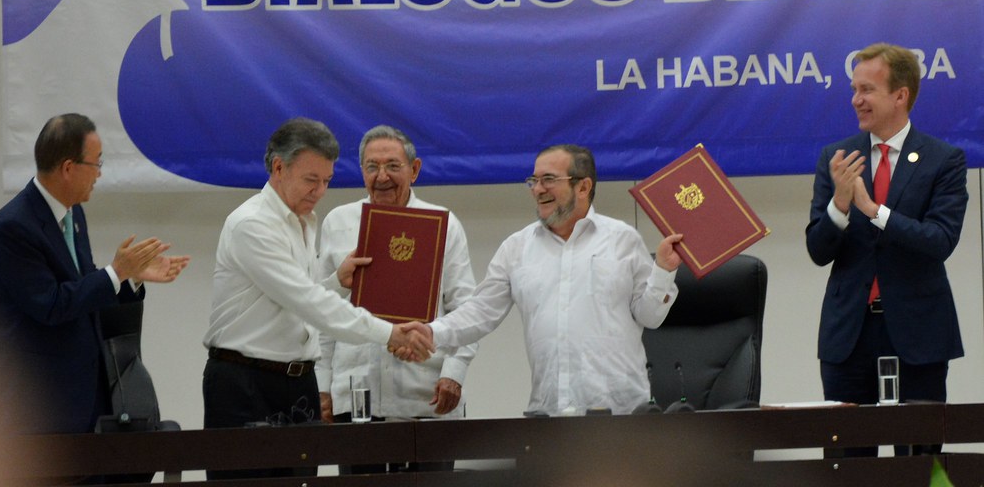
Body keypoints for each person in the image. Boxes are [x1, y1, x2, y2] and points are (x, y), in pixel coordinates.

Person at [202, 117, 433, 480]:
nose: (320, 191)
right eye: (312, 179)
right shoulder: (253, 224)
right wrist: (390, 333)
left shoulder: (305, 221)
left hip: (296, 384)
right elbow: (307, 302)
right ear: (279, 167)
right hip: (245, 384)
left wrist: (338, 282)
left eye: (326, 180)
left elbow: (297, 307)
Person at [402, 144, 682, 416]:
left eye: (548, 180)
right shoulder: (517, 248)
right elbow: (479, 312)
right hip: (549, 414)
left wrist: (664, 270)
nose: (537, 189)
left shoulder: (623, 239)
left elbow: (651, 316)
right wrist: (431, 332)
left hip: (622, 412)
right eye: (533, 181)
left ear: (583, 187)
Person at [806, 43, 968, 455]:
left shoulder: (943, 160)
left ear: (901, 95)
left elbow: (940, 241)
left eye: (867, 89)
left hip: (918, 335)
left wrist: (873, 210)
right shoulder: (837, 158)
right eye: (854, 89)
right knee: (846, 463)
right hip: (850, 337)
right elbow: (818, 249)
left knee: (917, 462)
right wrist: (840, 205)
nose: (855, 100)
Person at [0, 113, 189, 435]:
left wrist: (130, 277)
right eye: (96, 164)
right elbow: (51, 305)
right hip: (38, 406)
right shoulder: (14, 227)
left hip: (84, 394)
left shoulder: (73, 213)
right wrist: (115, 272)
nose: (99, 174)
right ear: (69, 168)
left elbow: (84, 288)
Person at [317, 125, 478, 473]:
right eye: (372, 167)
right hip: (357, 395)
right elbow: (320, 312)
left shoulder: (444, 224)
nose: (382, 176)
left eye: (393, 165)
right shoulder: (337, 222)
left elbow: (467, 309)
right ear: (361, 172)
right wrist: (322, 384)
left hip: (427, 394)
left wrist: (455, 371)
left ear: (414, 169)